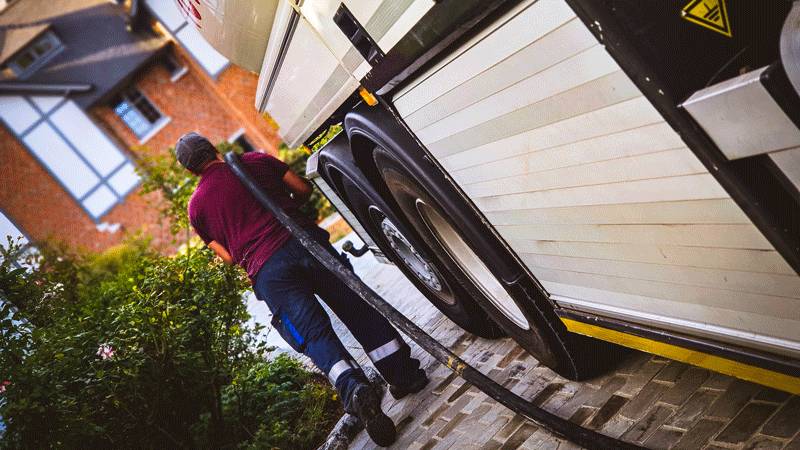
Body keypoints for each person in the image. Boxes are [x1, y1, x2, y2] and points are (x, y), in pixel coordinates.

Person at [174, 132, 428, 447]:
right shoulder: (254, 161)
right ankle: (406, 377)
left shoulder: (196, 207)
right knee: (356, 308)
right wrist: (287, 209)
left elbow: (227, 256)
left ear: (190, 170)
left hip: (269, 272)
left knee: (313, 334)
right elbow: (303, 188)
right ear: (213, 147)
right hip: (306, 242)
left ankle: (354, 389)